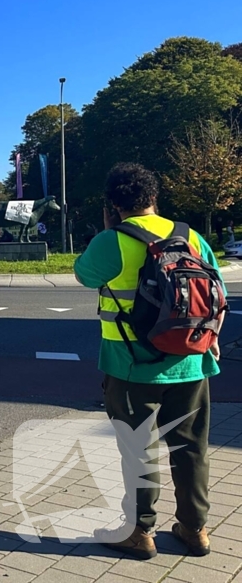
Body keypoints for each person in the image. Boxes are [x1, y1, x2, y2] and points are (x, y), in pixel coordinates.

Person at [74, 163, 224, 560]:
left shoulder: (112, 240)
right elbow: (216, 293)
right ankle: (195, 529)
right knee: (191, 447)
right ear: (155, 198)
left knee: (138, 449)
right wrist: (211, 341)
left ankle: (139, 532)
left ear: (113, 204)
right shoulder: (189, 235)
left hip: (130, 364)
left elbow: (84, 275)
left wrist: (107, 229)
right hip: (191, 361)